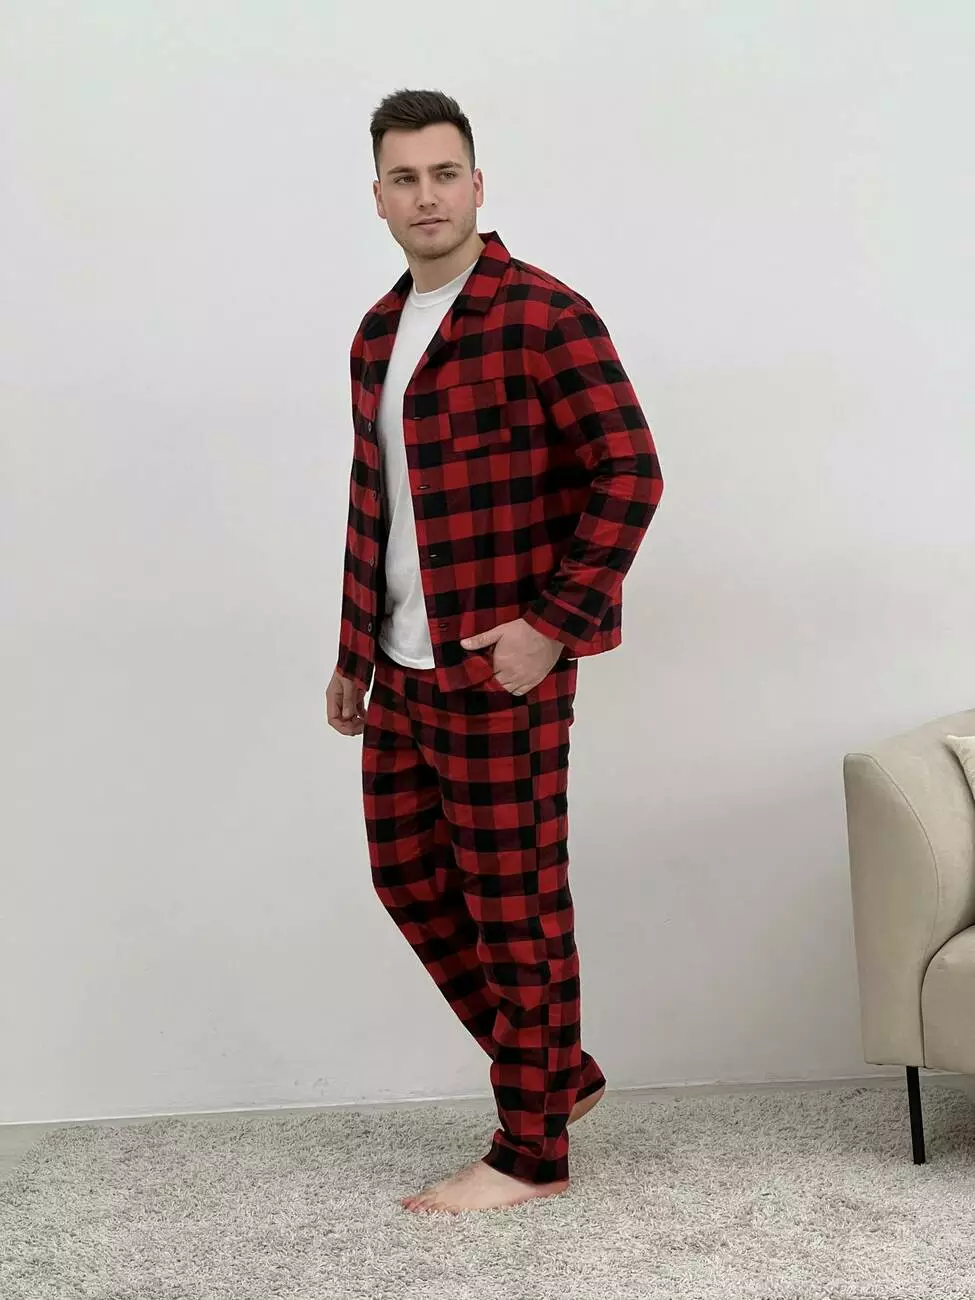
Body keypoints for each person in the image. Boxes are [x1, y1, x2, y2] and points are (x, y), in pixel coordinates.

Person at [325, 89, 664, 1213]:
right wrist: (352, 651)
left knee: (517, 906)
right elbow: (376, 501)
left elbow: (631, 472)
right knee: (406, 877)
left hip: (498, 664)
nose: (426, 195)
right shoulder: (378, 333)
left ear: (477, 184)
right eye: (404, 178)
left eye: (444, 174)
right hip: (401, 665)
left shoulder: (543, 316)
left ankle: (530, 1152)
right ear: (378, 197)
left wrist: (550, 626)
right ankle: (557, 1075)